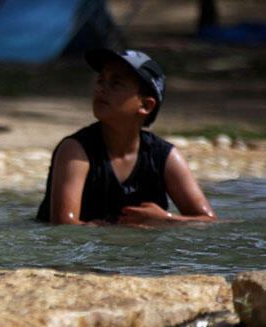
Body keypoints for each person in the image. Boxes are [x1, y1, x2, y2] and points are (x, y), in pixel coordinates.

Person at [36, 48, 216, 226]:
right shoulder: (75, 150)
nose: (101, 89)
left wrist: (166, 219)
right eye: (101, 80)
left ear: (146, 105)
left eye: (116, 83)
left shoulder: (164, 156)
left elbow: (209, 222)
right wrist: (123, 230)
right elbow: (64, 225)